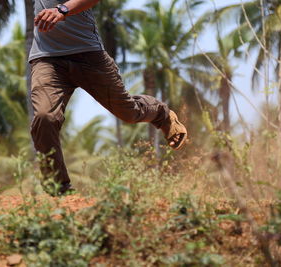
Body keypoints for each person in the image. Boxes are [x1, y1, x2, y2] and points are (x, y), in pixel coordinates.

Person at [29, 0, 188, 195]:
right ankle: (58, 190)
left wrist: (63, 10)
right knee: (44, 117)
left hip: (88, 55)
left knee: (129, 113)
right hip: (46, 58)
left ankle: (161, 114)